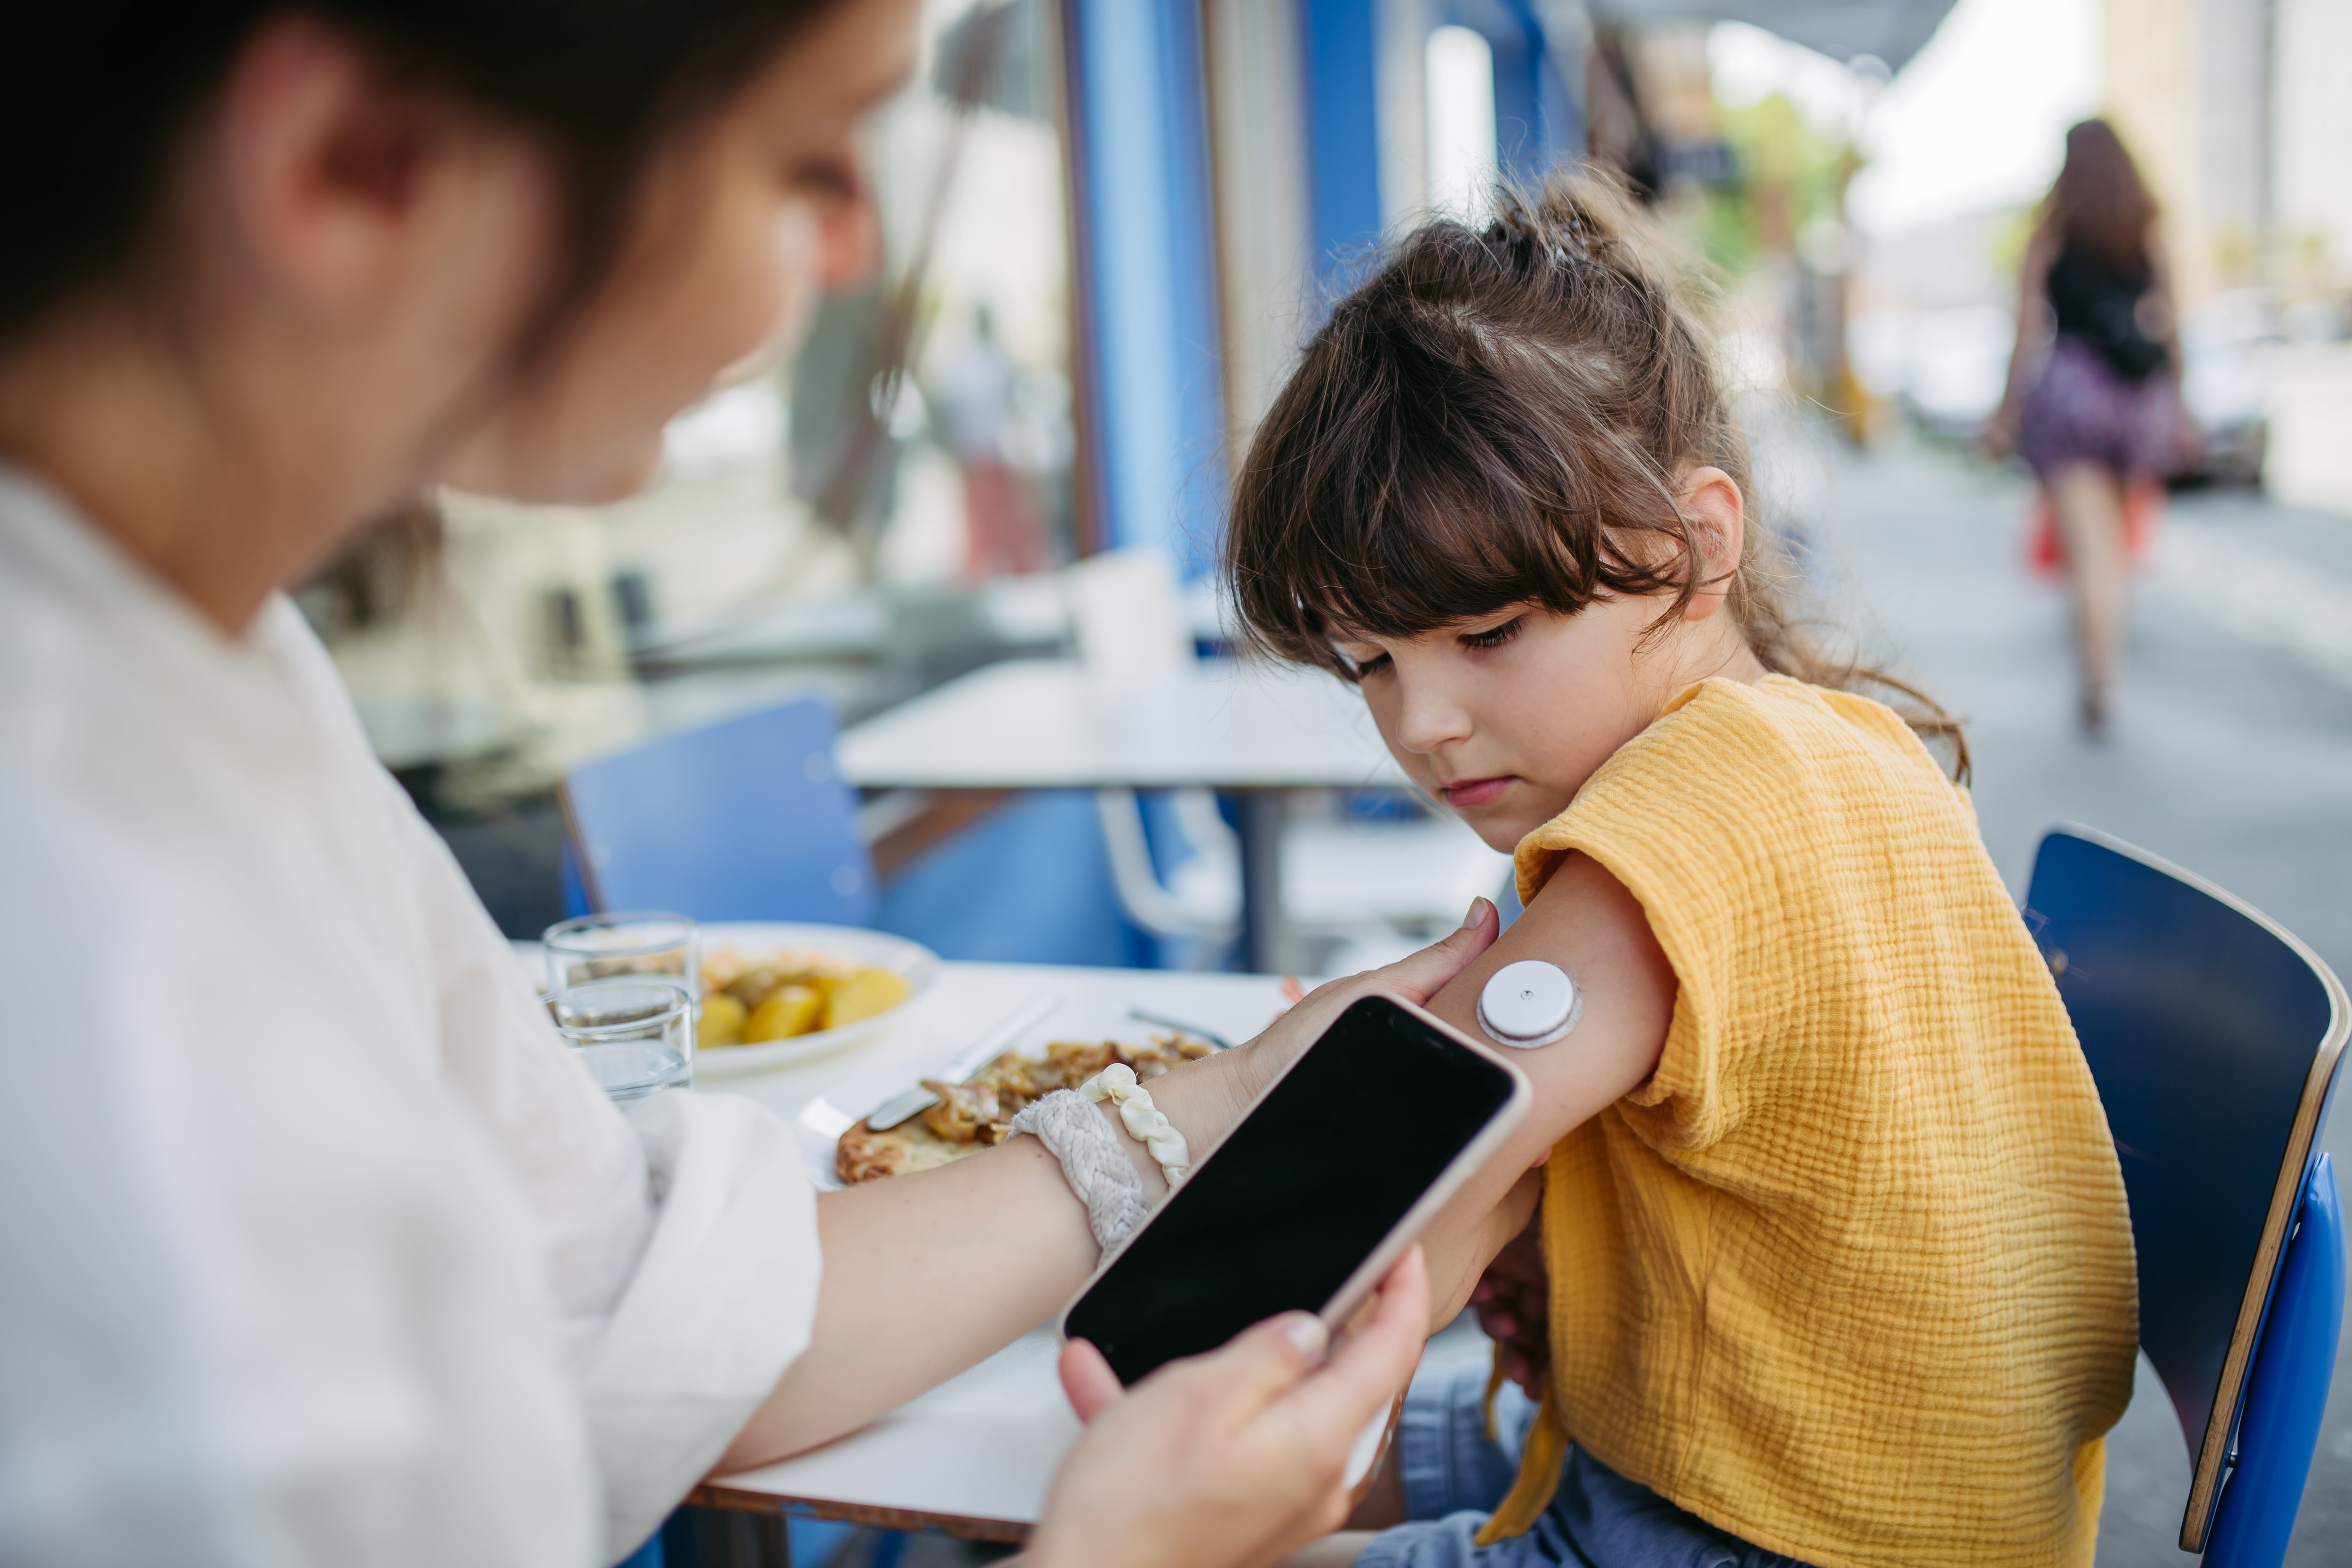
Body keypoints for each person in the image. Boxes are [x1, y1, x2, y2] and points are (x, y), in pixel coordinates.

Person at [0, 4, 1534, 1564]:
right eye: (810, 157)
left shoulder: (225, 677)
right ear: (359, 166)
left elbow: (624, 1311)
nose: (861, 241)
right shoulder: (79, 926)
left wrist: (1222, 1094)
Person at [1224, 177, 2139, 1568]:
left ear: (1693, 548)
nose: (1421, 724)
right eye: (1371, 664)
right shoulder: (1812, 746)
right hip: (1749, 1453)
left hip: (1771, 1530)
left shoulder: (1706, 798)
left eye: (1485, 632)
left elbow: (1381, 1173)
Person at [1986, 119, 2192, 734]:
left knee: (2091, 551)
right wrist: (2181, 407)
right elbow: (2174, 322)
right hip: (2135, 401)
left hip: (2072, 399)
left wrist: (2004, 415)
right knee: (2116, 551)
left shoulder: (2049, 233)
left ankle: (2097, 678)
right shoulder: (2146, 226)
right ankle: (2107, 670)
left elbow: (2025, 329)